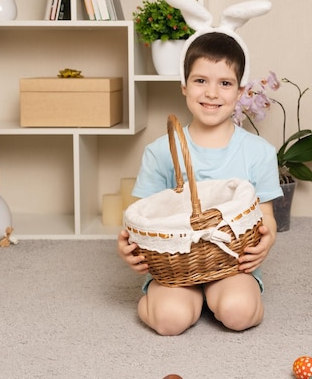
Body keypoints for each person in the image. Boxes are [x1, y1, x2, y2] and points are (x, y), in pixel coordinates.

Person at [117, 31, 282, 335]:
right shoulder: (160, 151)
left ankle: (225, 296)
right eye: (200, 80)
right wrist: (128, 245)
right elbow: (139, 216)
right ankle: (164, 301)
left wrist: (267, 238)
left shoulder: (260, 153)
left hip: (232, 262)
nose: (212, 93)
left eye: (225, 83)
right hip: (175, 265)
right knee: (170, 320)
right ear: (184, 86)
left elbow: (266, 216)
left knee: (239, 313)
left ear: (241, 90)